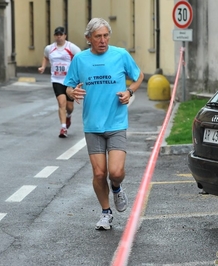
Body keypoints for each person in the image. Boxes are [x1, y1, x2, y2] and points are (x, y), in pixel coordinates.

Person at [64, 18, 144, 230]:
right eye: (98, 36)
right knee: (99, 173)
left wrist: (129, 91)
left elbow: (138, 76)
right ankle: (106, 213)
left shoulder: (120, 55)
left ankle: (116, 188)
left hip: (116, 122)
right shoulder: (80, 59)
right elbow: (68, 86)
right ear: (88, 38)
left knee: (115, 172)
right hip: (93, 125)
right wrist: (73, 92)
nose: (103, 40)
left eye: (105, 35)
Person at [38, 26, 81, 138]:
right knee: (61, 103)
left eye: (61, 34)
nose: (59, 37)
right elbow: (46, 57)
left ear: (65, 36)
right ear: (54, 36)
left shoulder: (71, 47)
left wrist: (78, 72)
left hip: (70, 81)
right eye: (57, 35)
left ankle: (69, 115)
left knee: (69, 106)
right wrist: (43, 67)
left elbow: (80, 57)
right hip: (56, 80)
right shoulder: (50, 48)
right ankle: (63, 128)